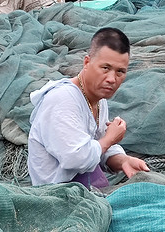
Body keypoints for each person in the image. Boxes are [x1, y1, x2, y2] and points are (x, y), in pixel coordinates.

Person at [27, 27, 150, 188]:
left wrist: (123, 161)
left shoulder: (98, 99)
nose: (112, 79)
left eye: (120, 72)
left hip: (86, 189)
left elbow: (98, 148)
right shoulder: (62, 99)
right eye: (105, 68)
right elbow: (75, 158)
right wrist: (110, 138)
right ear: (87, 62)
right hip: (57, 196)